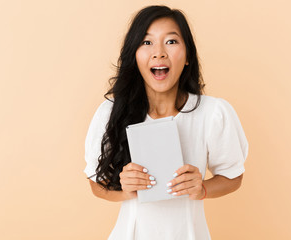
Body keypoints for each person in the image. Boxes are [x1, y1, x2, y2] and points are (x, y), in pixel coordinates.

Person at [83, 5, 248, 240]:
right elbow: (96, 183)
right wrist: (124, 189)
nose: (159, 52)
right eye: (146, 42)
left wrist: (202, 188)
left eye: (171, 42)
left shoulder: (213, 113)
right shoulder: (111, 112)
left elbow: (233, 176)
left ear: (188, 55)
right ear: (134, 55)